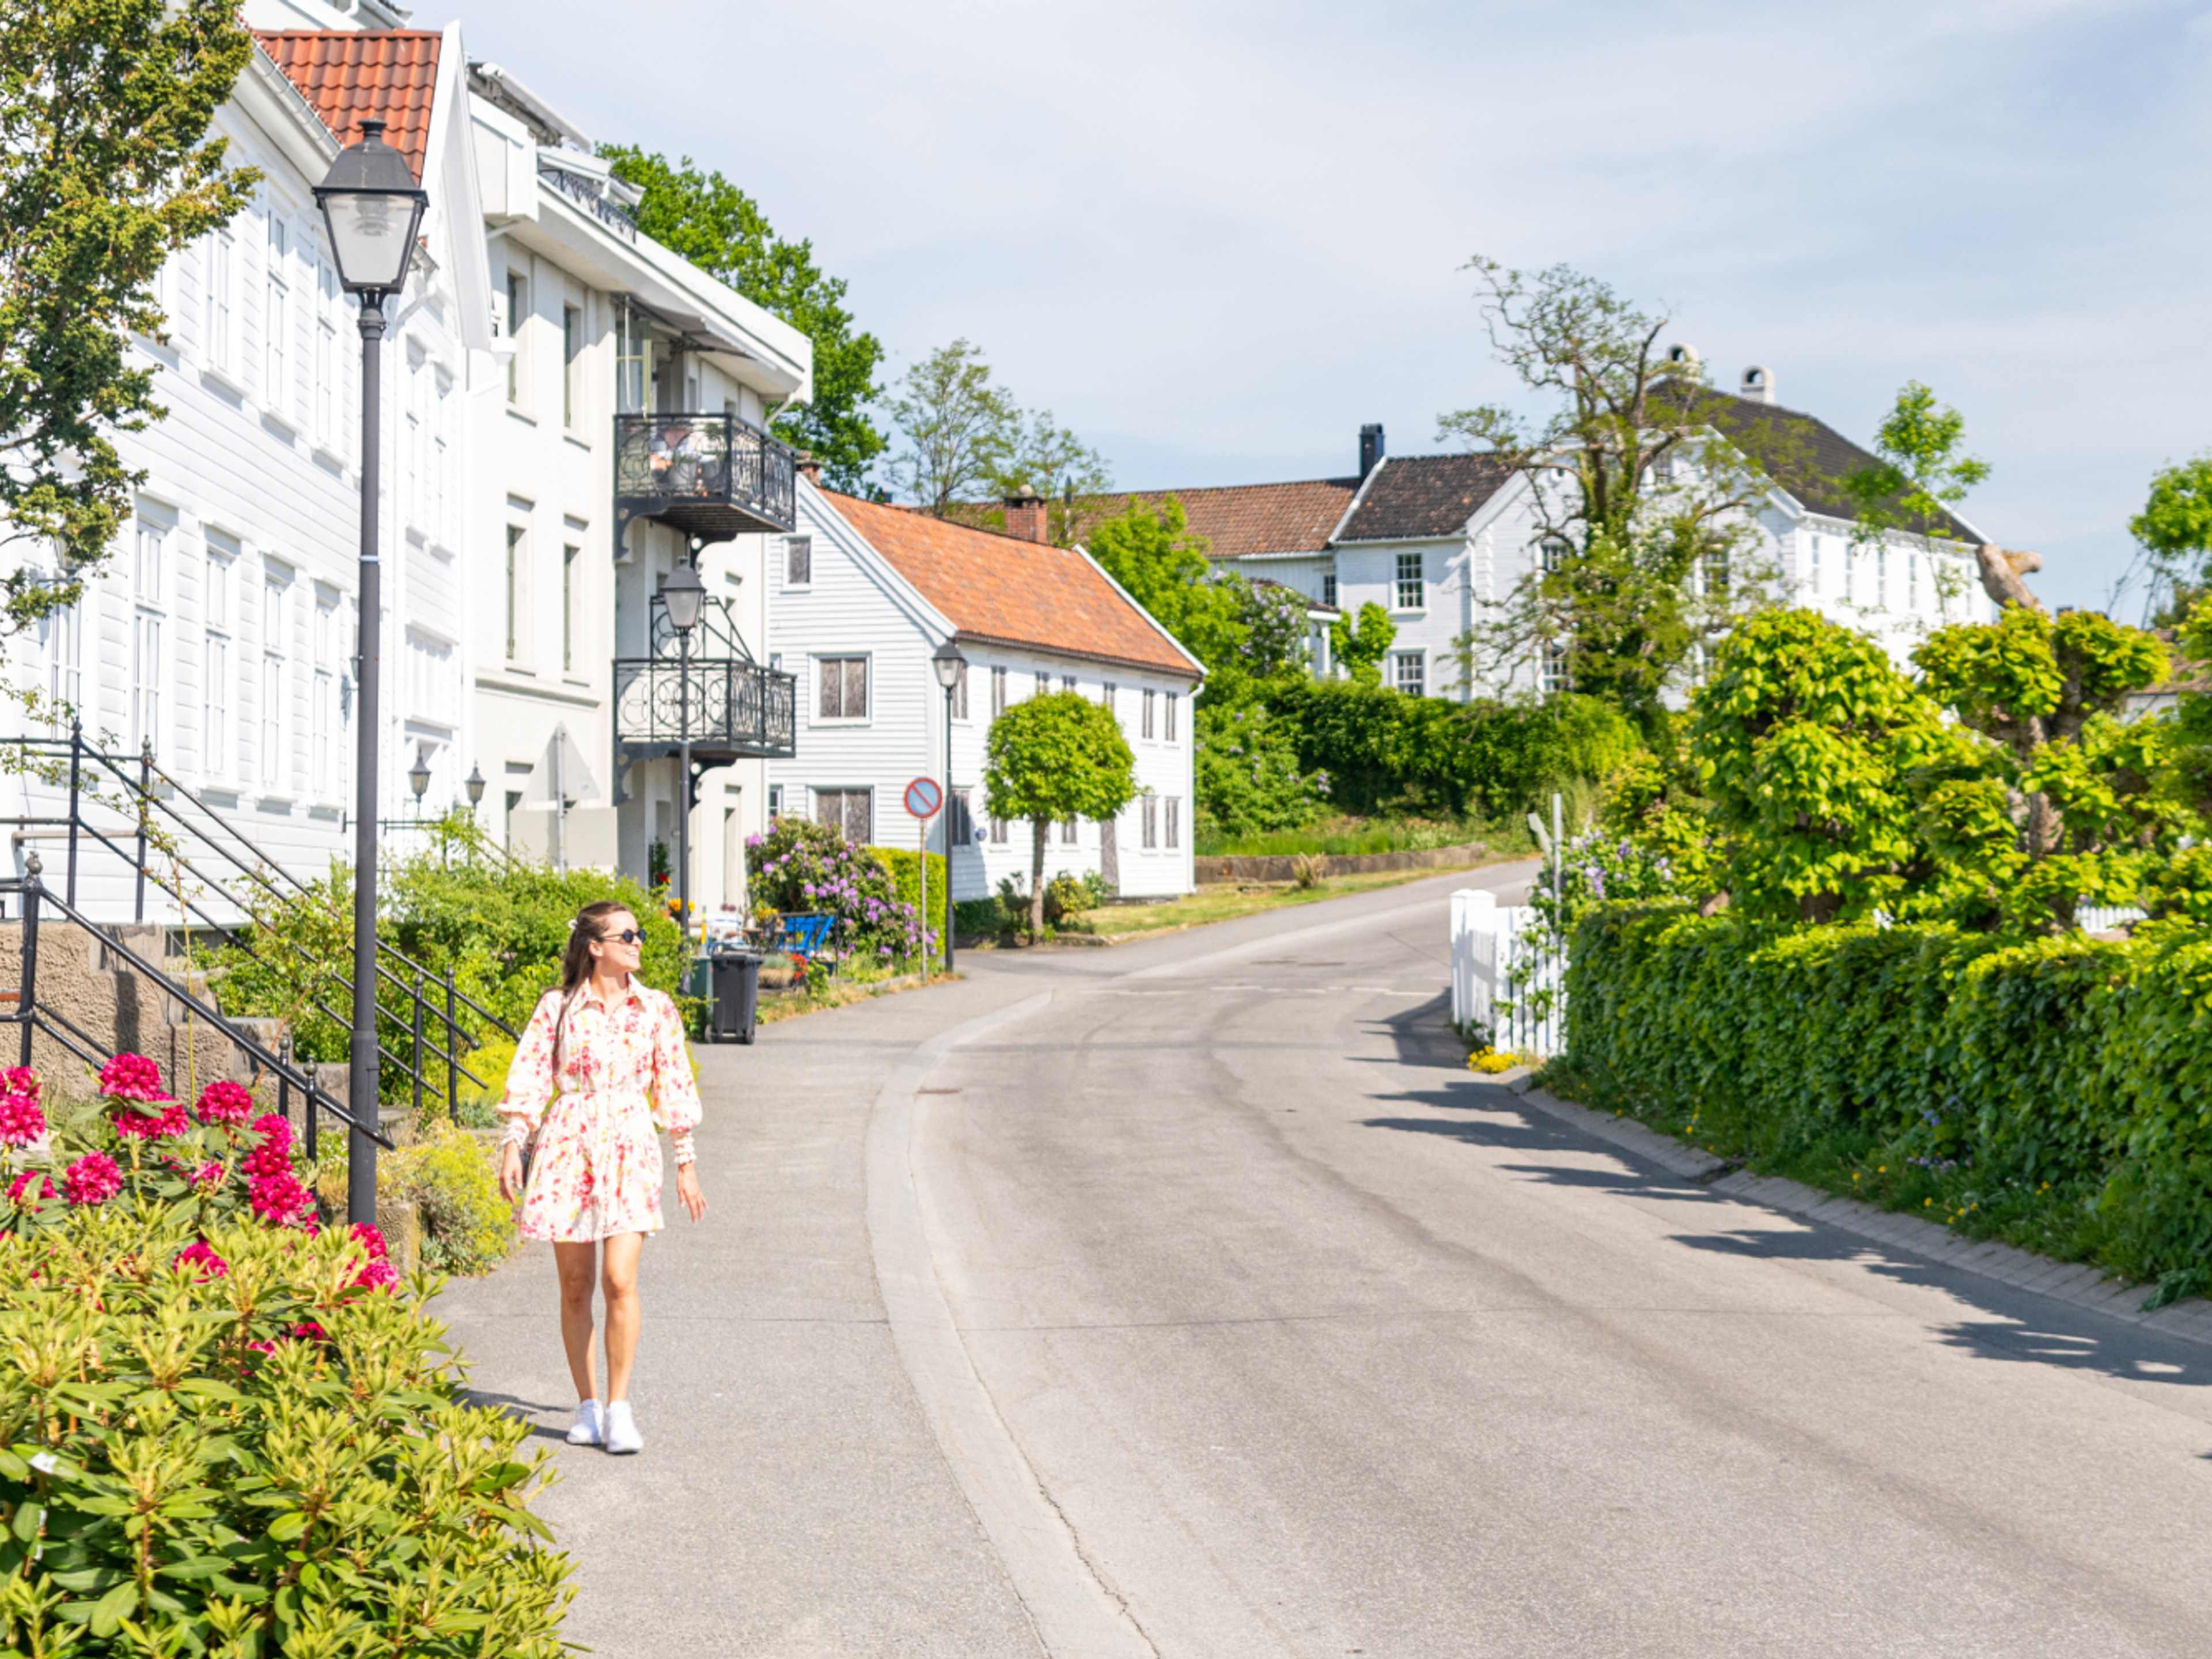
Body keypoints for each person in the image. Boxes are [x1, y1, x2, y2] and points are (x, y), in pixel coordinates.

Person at [497, 900, 707, 1455]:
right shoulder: (558, 1008)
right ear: (596, 946)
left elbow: (675, 1085)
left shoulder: (656, 1009)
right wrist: (513, 1146)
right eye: (627, 935)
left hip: (631, 1146)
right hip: (569, 1145)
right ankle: (587, 1405)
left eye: (639, 935)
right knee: (575, 1286)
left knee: (619, 1279)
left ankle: (620, 1408)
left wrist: (686, 1163)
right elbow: (531, 1077)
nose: (639, 943)